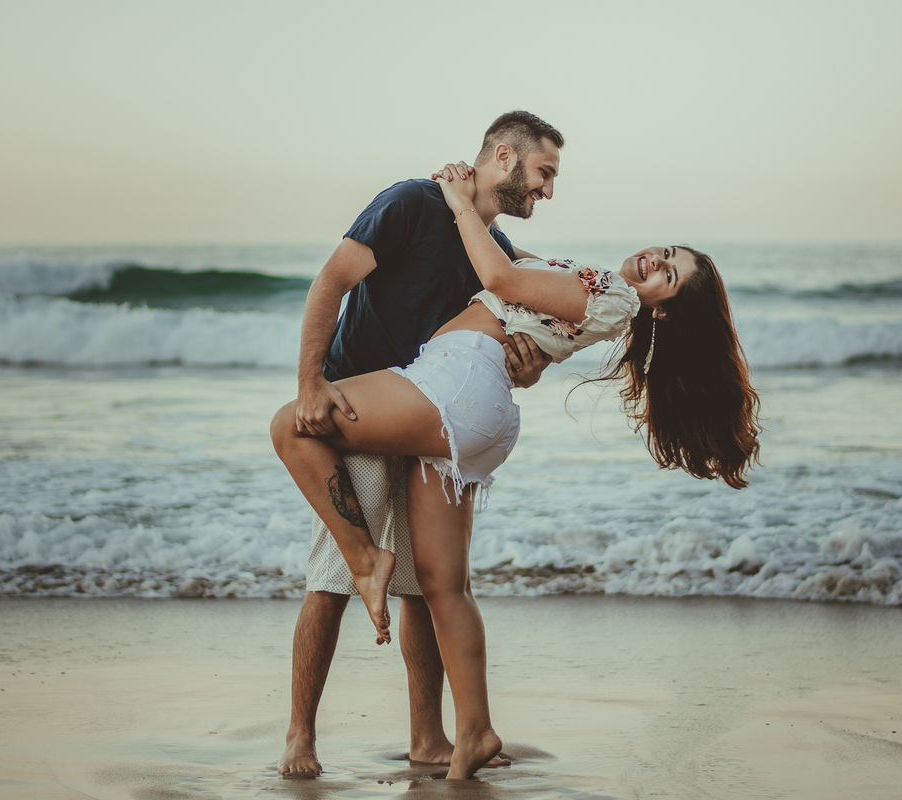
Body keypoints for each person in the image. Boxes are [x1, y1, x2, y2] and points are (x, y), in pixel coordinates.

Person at [271, 163, 762, 779]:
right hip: (465, 401)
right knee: (438, 586)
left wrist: (456, 201)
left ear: (665, 309)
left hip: (449, 386)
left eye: (669, 273)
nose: (653, 262)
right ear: (502, 159)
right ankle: (466, 733)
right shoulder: (591, 282)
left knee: (292, 428)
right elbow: (514, 273)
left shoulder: (610, 293)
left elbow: (500, 277)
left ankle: (368, 570)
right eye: (665, 252)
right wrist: (470, 219)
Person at [275, 111, 564, 777]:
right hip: (362, 404)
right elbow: (332, 281)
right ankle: (300, 736)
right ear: (503, 157)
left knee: (422, 587)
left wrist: (531, 364)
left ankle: (429, 739)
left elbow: (518, 340)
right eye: (544, 173)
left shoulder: (497, 255)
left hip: (432, 423)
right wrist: (312, 382)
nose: (548, 191)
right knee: (333, 579)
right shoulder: (412, 202)